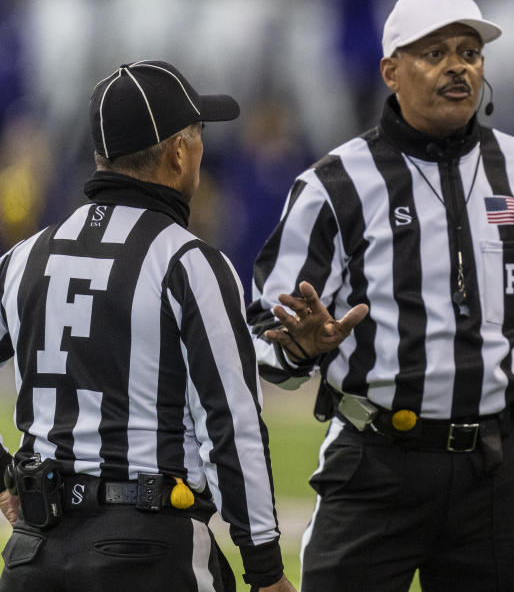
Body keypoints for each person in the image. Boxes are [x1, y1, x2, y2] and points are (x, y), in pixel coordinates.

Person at [246, 0, 514, 592]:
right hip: (375, 463)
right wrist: (300, 348)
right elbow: (264, 336)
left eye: (470, 52)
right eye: (434, 53)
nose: (458, 66)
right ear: (391, 70)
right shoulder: (334, 183)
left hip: (493, 466)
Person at [0, 60, 296, 592]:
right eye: (199, 135)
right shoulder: (189, 262)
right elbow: (232, 425)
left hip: (34, 552)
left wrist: (3, 472)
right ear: (178, 152)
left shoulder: (24, 256)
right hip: (148, 548)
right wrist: (266, 571)